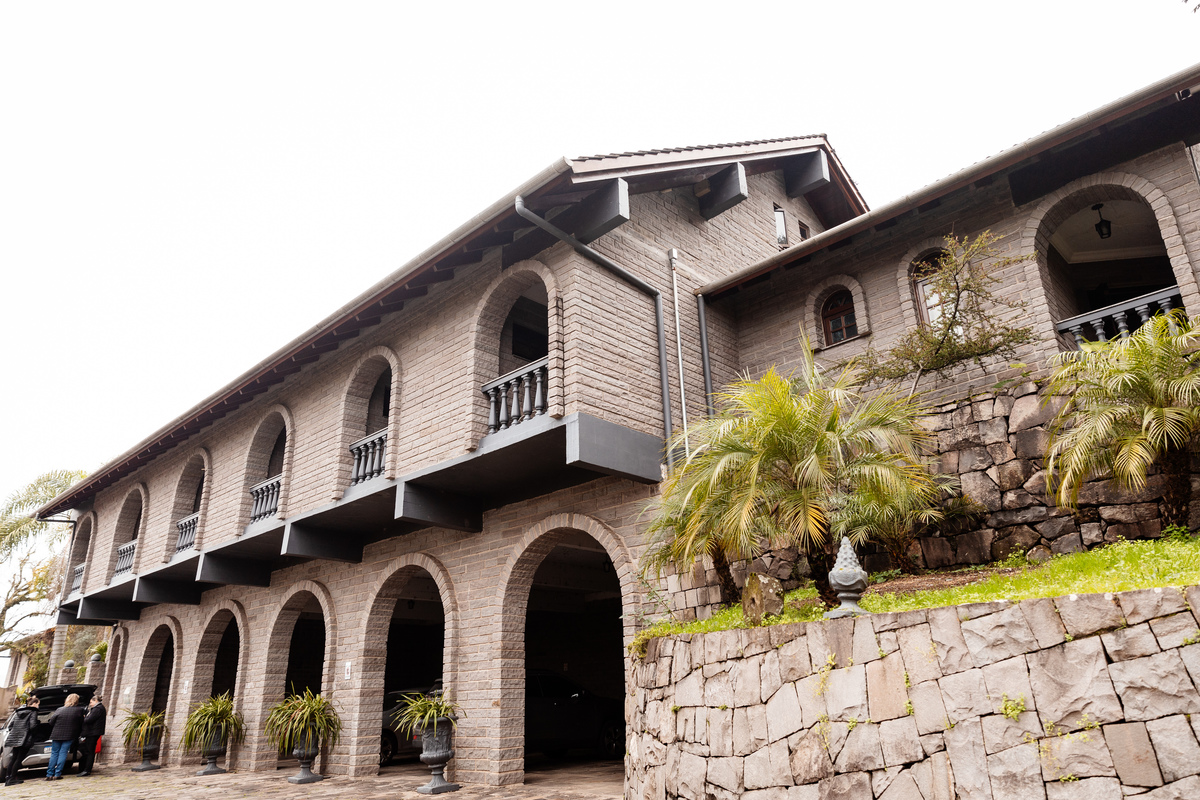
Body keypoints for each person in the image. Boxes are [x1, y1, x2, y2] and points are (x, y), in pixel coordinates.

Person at [44, 693, 84, 780]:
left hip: (56, 734)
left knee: (54, 754)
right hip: (69, 735)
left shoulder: (60, 709)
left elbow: (51, 722)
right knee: (63, 753)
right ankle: (57, 774)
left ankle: (49, 774)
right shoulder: (79, 710)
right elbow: (81, 722)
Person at [3, 696, 39, 786]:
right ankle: (13, 778)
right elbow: (32, 726)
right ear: (34, 704)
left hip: (15, 738)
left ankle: (8, 778)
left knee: (14, 758)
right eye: (38, 704)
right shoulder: (33, 712)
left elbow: (11, 726)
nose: (38, 706)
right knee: (19, 759)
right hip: (25, 738)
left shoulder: (18, 712)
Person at [76, 696, 106, 777]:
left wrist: (84, 718)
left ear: (95, 700)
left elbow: (89, 720)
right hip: (93, 732)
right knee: (88, 751)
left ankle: (87, 770)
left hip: (92, 733)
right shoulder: (98, 708)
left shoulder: (98, 709)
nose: (90, 704)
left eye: (91, 702)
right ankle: (85, 769)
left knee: (90, 751)